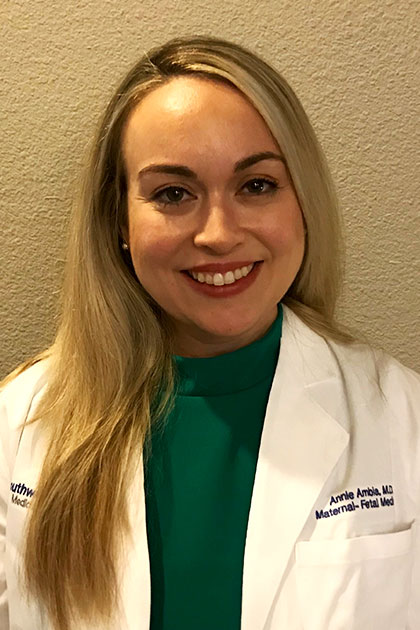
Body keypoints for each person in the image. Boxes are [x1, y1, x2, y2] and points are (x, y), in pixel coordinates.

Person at [0, 35, 419, 630]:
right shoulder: (17, 425)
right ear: (119, 220)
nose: (218, 234)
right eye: (173, 193)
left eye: (257, 185)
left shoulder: (403, 417)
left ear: (303, 202)